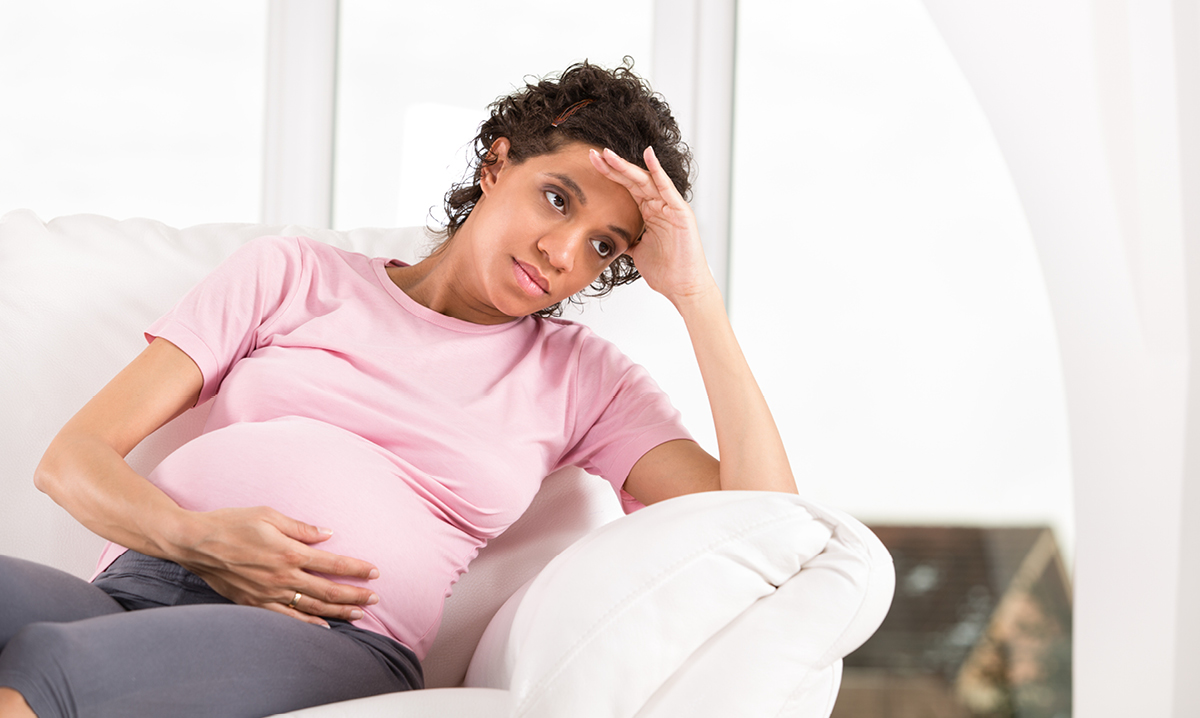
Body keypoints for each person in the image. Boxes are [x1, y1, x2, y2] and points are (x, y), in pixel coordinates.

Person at [0, 60, 796, 718]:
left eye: (602, 246)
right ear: (496, 164)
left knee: (55, 665)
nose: (562, 252)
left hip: (331, 638)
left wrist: (697, 298)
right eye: (558, 198)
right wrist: (197, 540)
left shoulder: (582, 377)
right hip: (141, 583)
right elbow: (71, 460)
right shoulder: (291, 273)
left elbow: (767, 528)